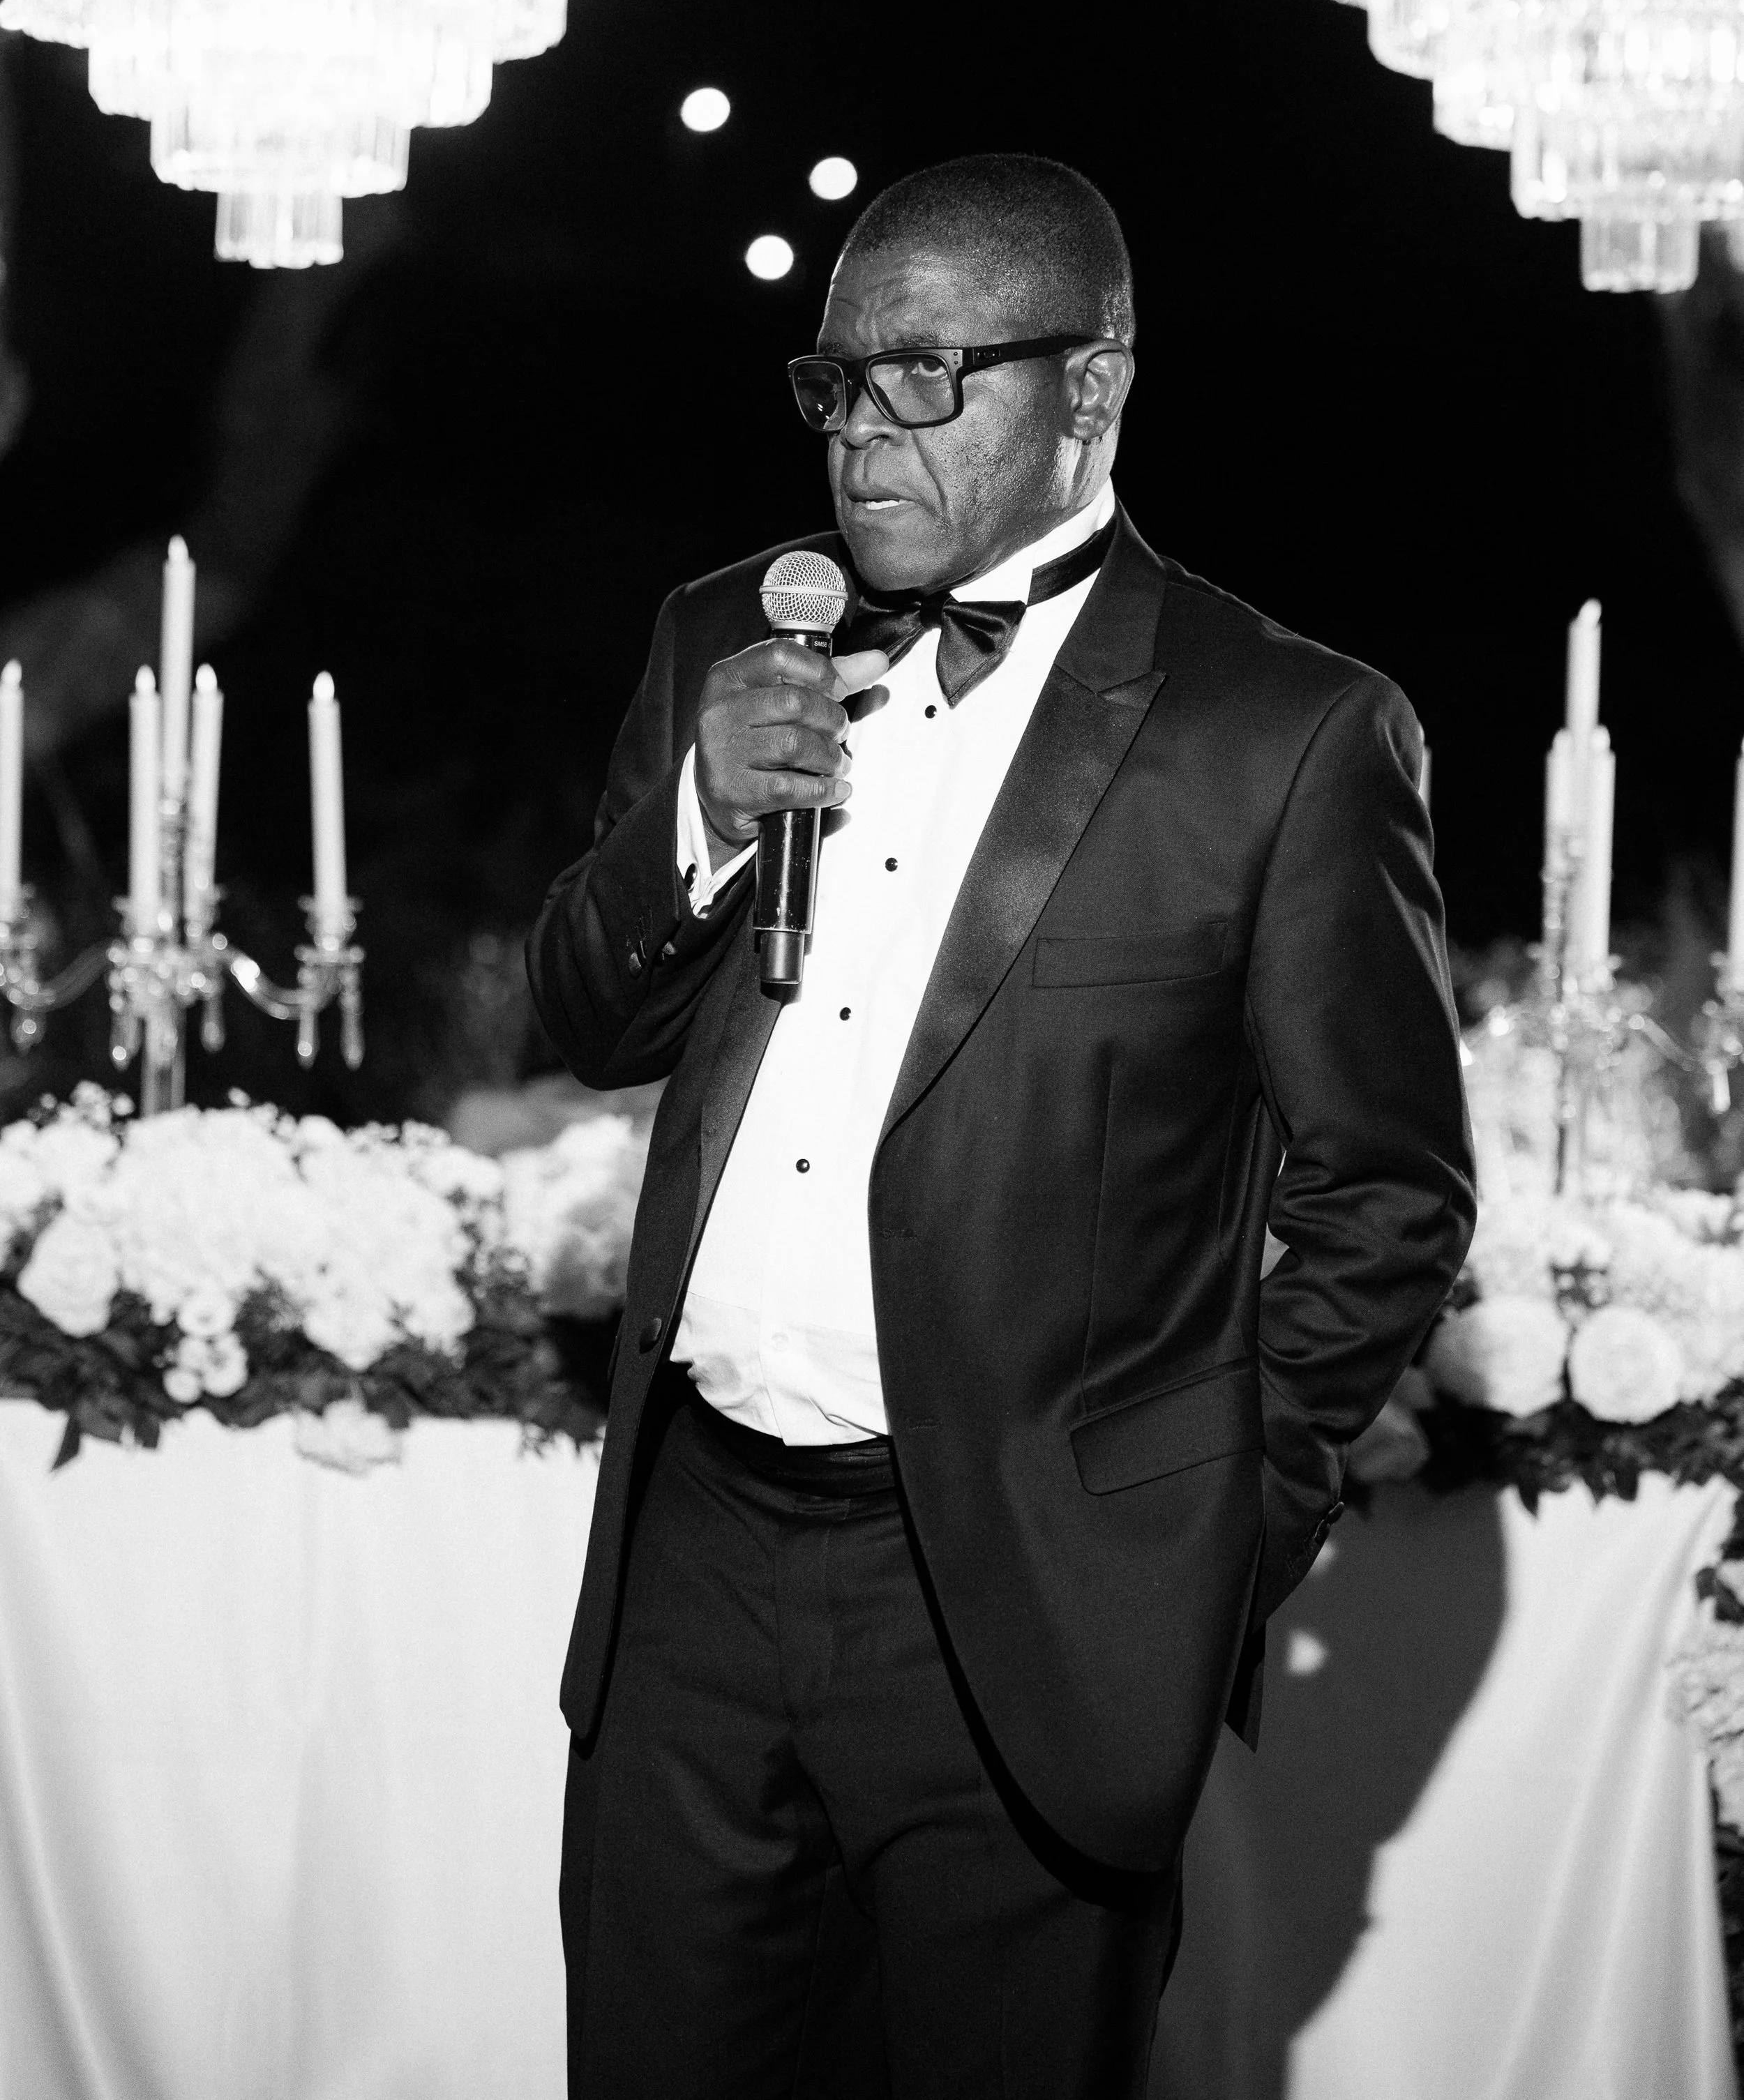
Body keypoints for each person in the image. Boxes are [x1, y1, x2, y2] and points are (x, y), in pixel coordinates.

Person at [527, 152, 1475, 2099]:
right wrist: (695, 823)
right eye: (836, 380)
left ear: (1096, 385)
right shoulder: (730, 628)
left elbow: (1384, 1192)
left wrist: (1203, 1539)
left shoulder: (1279, 731)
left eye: (931, 375)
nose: (866, 432)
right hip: (694, 1563)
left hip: (1022, 1607)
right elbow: (583, 1013)